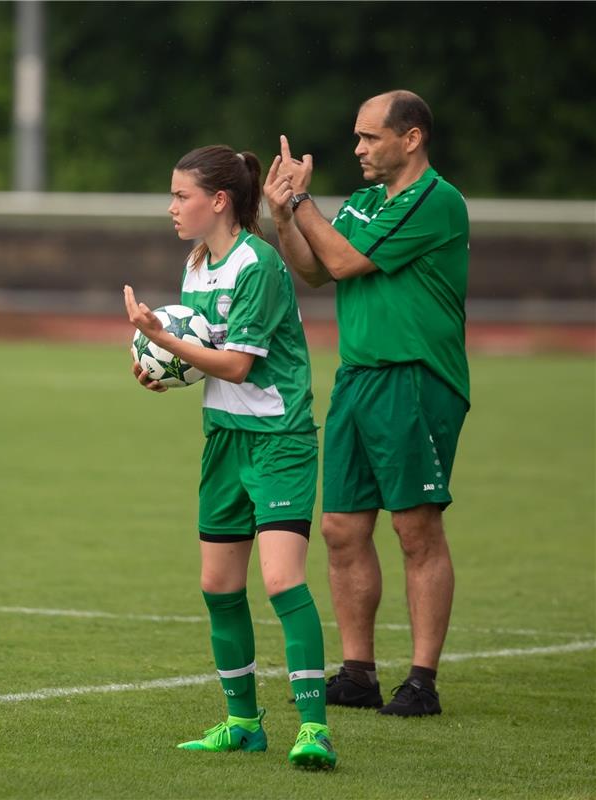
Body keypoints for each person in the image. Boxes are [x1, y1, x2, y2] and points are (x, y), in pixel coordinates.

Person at [123, 144, 336, 769]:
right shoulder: (197, 265)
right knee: (218, 585)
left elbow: (240, 365)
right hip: (225, 436)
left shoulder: (259, 265)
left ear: (218, 200)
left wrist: (163, 339)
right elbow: (204, 352)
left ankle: (314, 729)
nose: (172, 208)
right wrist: (160, 368)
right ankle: (243, 723)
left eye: (181, 195)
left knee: (281, 580)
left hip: (279, 439)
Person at [263, 90, 469, 717]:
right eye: (357, 136)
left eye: (369, 137)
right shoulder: (359, 204)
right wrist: (281, 216)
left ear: (411, 138)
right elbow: (317, 270)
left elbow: (348, 260)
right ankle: (358, 673)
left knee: (415, 528)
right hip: (357, 378)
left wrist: (302, 202)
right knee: (342, 529)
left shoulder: (435, 200)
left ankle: (423, 681)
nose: (357, 149)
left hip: (414, 379)